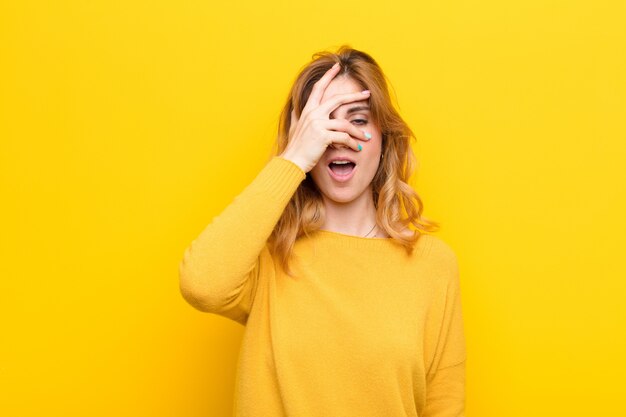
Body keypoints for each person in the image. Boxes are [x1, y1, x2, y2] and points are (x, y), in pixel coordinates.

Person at [178, 45, 466, 417]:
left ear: (384, 140)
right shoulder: (268, 258)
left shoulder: (433, 266)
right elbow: (202, 284)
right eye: (323, 122)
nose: (339, 137)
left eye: (358, 120)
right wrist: (295, 157)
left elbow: (445, 407)